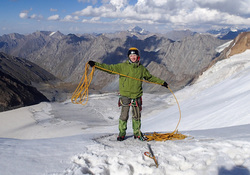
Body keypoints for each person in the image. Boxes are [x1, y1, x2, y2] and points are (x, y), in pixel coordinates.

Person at [88, 47, 168, 141]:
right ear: (128, 57)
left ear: (138, 57)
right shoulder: (122, 67)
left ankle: (137, 133)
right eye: (131, 55)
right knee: (124, 116)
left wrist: (162, 82)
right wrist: (95, 65)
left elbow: (150, 78)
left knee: (137, 116)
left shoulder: (141, 69)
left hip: (137, 95)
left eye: (134, 55)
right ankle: (122, 133)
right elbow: (109, 68)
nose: (133, 57)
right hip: (125, 95)